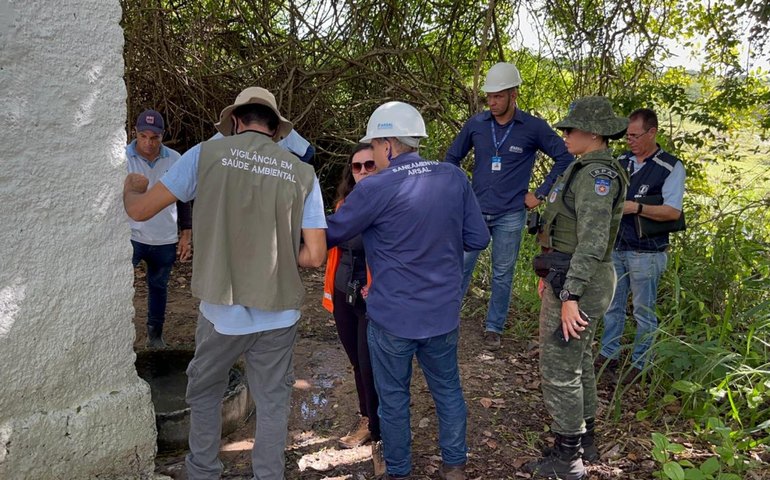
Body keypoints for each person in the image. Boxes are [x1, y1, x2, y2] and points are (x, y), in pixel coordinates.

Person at [123, 87, 327, 480]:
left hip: (220, 313)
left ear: (234, 121)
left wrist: (132, 189)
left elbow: (141, 211)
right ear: (276, 129)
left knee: (204, 390)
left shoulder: (204, 156)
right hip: (278, 313)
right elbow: (315, 255)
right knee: (271, 401)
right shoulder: (302, 173)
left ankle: (203, 471)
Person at [326, 101, 490, 480]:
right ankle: (454, 467)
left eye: (374, 149)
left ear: (386, 144)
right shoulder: (452, 177)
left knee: (395, 398)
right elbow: (477, 237)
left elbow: (332, 233)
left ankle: (399, 471)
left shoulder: (376, 188)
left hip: (391, 318)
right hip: (441, 315)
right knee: (447, 390)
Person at [525, 96, 628, 480]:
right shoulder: (585, 168)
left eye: (571, 129)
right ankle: (584, 440)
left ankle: (567, 459)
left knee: (559, 366)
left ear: (594, 133)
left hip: (579, 281)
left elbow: (593, 241)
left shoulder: (596, 177)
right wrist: (550, 276)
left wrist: (570, 295)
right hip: (568, 274)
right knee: (579, 359)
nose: (564, 134)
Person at [445, 62, 573, 350]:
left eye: (498, 96)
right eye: (489, 96)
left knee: (503, 273)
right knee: (459, 266)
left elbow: (565, 158)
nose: (491, 102)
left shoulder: (532, 127)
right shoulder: (477, 125)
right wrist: (459, 190)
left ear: (513, 94)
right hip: (475, 210)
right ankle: (445, 319)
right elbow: (451, 158)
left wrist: (540, 193)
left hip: (511, 214)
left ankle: (494, 328)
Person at [596, 108, 686, 380]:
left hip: (647, 251)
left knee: (644, 312)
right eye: (627, 136)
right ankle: (608, 354)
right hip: (617, 245)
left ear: (652, 133)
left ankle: (640, 364)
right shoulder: (621, 161)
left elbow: (673, 212)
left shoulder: (670, 166)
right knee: (612, 306)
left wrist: (637, 207)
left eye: (635, 136)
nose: (630, 141)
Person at [321, 143, 383, 473]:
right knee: (357, 363)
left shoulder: (390, 204)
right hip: (344, 291)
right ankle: (367, 416)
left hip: (375, 297)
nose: (362, 172)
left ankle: (378, 425)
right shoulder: (343, 205)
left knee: (370, 362)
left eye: (369, 165)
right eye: (356, 167)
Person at [126, 109, 192, 348]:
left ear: (162, 135)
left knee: (159, 286)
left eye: (154, 137)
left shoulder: (175, 159)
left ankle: (155, 336)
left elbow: (184, 197)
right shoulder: (123, 157)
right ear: (135, 133)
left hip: (164, 236)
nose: (149, 143)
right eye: (143, 136)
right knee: (121, 285)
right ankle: (118, 334)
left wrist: (186, 232)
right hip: (131, 235)